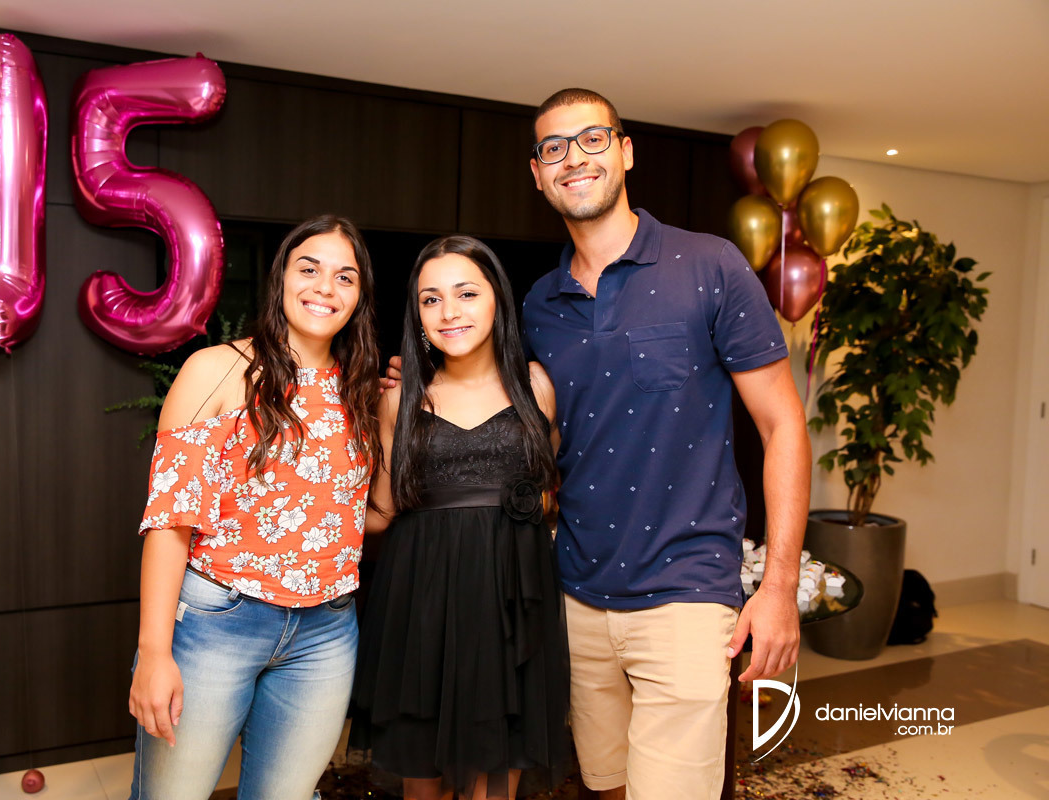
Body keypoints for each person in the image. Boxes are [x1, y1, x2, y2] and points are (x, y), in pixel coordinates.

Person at [388, 89, 810, 800]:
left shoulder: (710, 265)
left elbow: (783, 426)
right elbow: (512, 418)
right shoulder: (537, 305)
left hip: (685, 595)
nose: (573, 159)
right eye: (553, 148)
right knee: (607, 786)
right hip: (573, 597)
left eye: (592, 139)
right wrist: (421, 383)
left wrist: (780, 588)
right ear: (537, 173)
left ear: (625, 151)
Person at [128, 214, 382, 800]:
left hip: (326, 633)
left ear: (359, 297)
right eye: (309, 269)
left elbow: (356, 513)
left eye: (345, 277)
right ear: (281, 278)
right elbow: (169, 519)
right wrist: (154, 652)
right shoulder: (217, 370)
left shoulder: (362, 389)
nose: (325, 287)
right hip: (218, 624)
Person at [354, 236, 572, 800]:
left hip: (512, 607)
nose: (449, 312)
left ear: (497, 298)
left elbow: (553, 492)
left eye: (466, 293)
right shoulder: (398, 399)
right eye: (431, 299)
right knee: (423, 786)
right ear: (418, 315)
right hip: (421, 607)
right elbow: (381, 511)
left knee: (496, 782)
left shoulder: (537, 387)